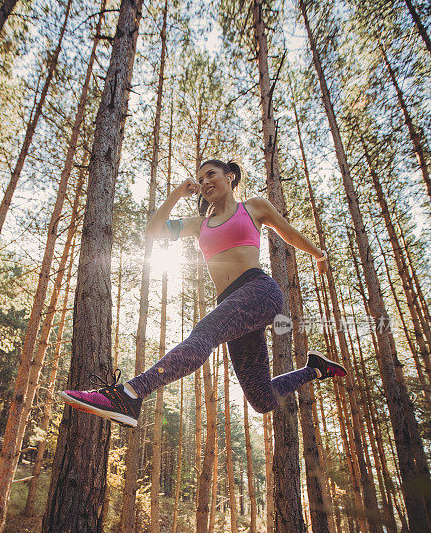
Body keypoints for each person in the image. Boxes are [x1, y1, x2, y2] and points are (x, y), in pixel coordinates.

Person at [61, 159, 347, 427]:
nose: (205, 181)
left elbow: (290, 233)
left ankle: (130, 394)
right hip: (234, 307)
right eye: (200, 178)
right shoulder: (199, 225)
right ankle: (315, 368)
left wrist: (319, 254)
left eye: (211, 174)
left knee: (204, 335)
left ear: (229, 177)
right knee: (262, 400)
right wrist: (177, 193)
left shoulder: (253, 207)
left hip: (259, 291)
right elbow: (154, 231)